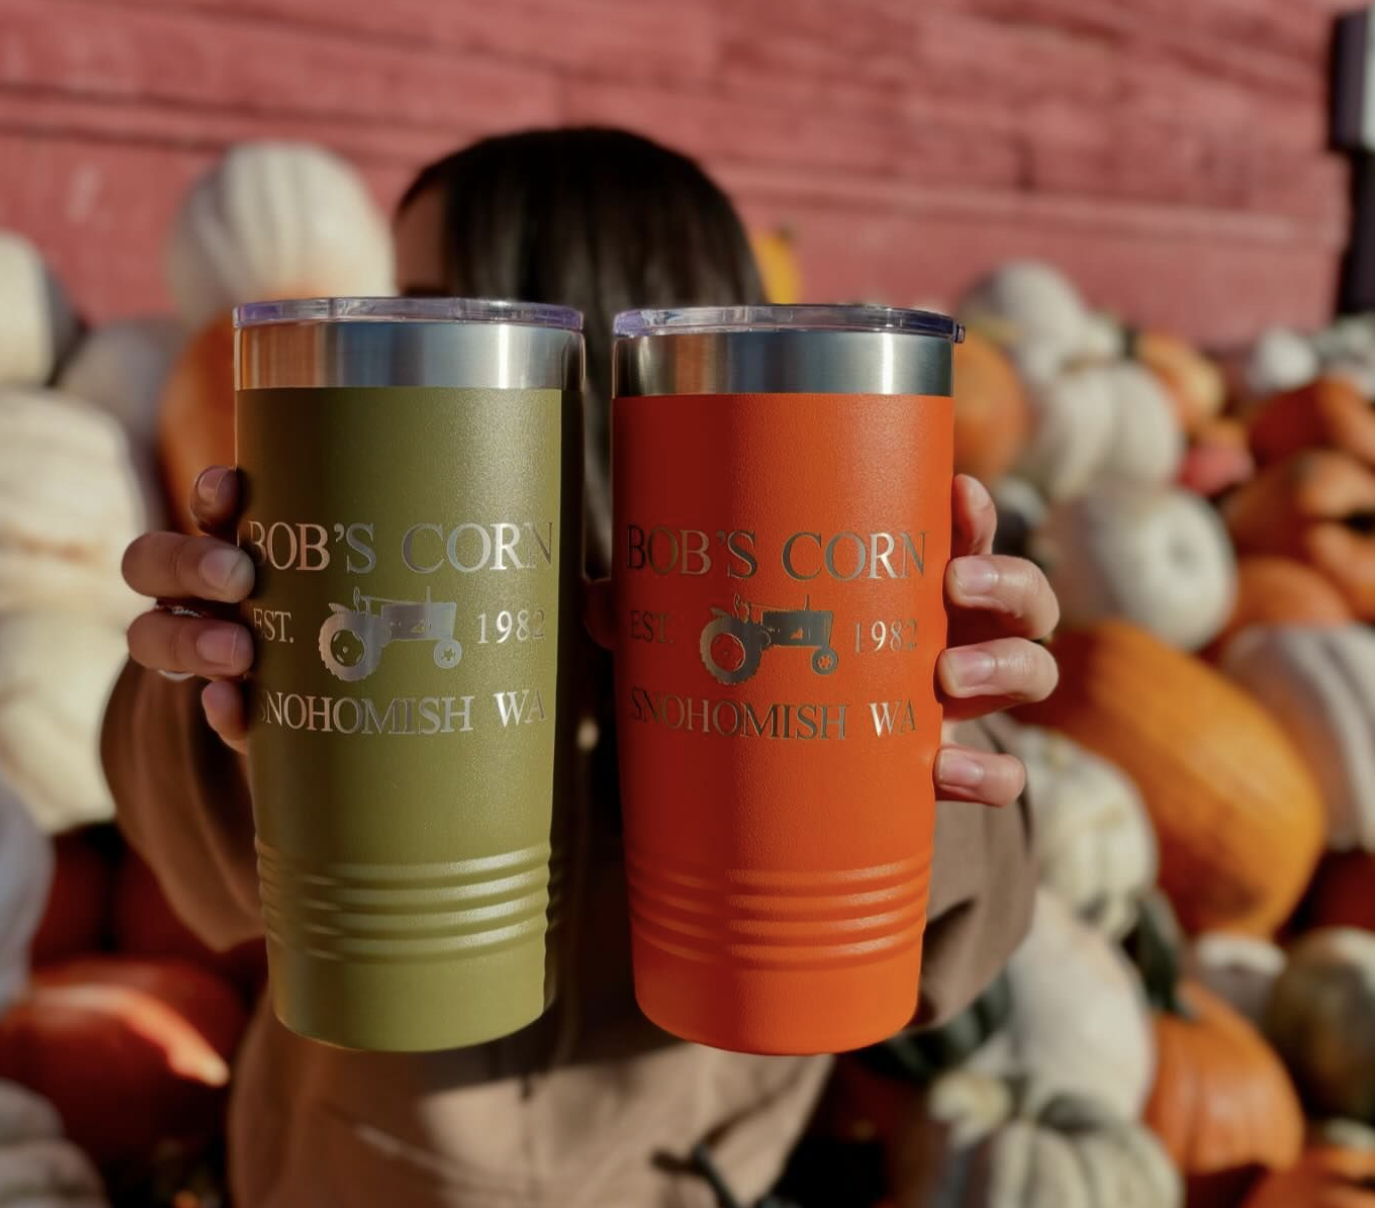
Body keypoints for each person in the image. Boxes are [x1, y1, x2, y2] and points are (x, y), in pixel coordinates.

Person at [106, 128, 1059, 1208]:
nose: (391, 330)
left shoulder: (777, 578)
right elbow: (196, 870)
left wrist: (942, 730)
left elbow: (968, 934)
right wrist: (216, 678)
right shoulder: (340, 556)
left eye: (426, 300)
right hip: (344, 1172)